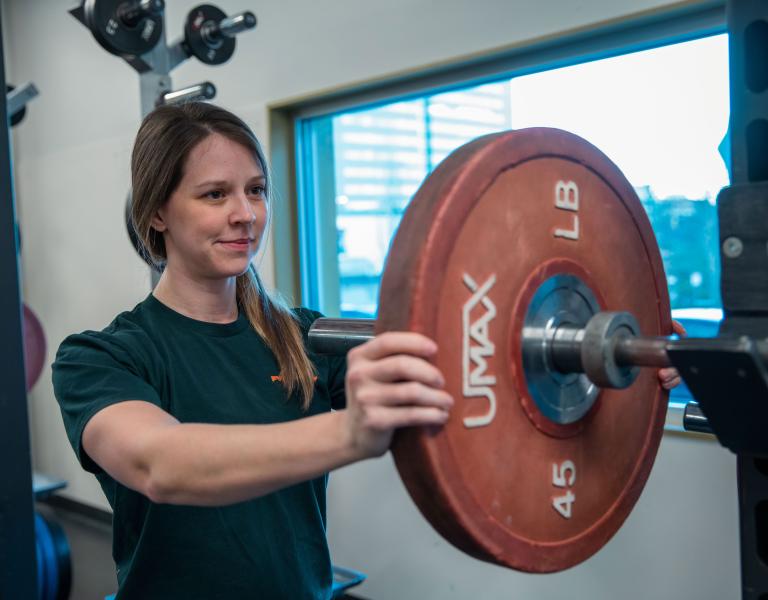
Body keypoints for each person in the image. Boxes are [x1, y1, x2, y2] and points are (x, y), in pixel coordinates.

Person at [52, 102, 682, 599]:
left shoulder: (303, 339)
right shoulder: (101, 358)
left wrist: (616, 353)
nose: (247, 214)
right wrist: (350, 432)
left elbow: (467, 359)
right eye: (215, 195)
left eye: (257, 189)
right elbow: (160, 465)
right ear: (157, 211)